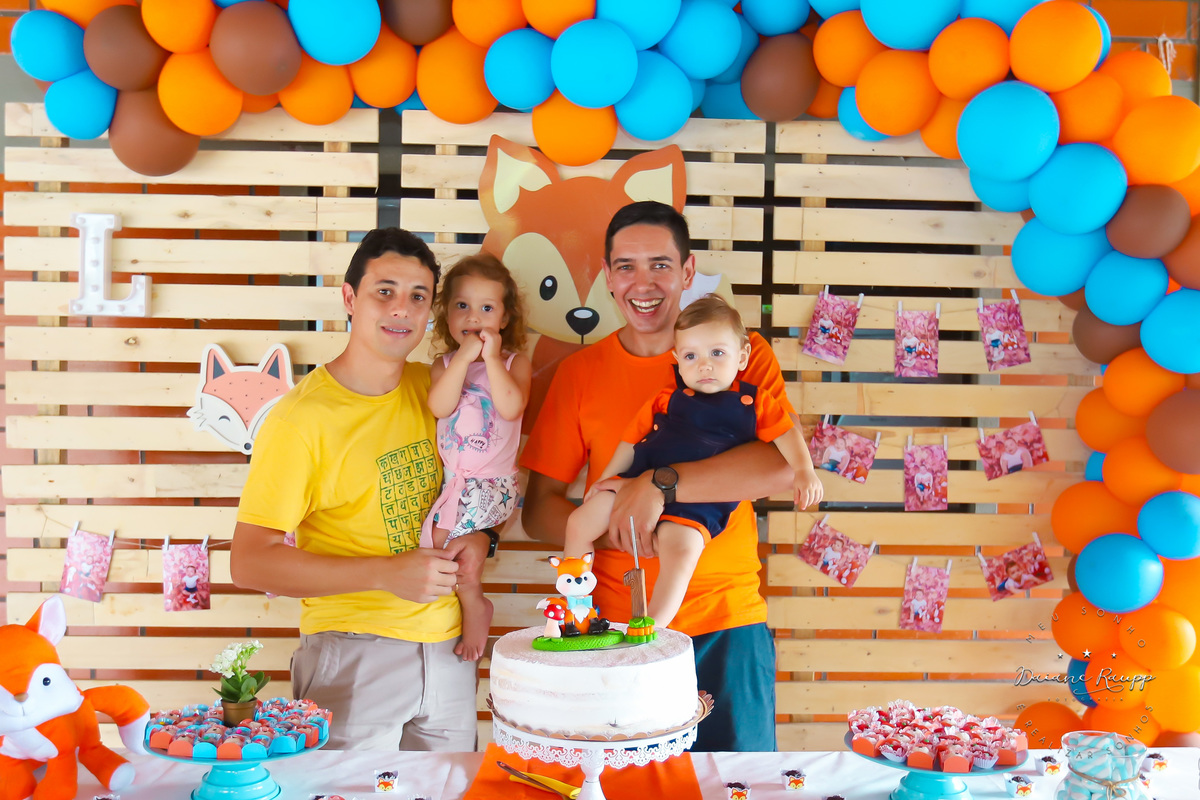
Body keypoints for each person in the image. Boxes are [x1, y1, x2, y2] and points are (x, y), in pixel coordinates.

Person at [521, 201, 824, 752]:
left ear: (687, 271)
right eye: (626, 266)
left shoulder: (742, 354)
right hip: (615, 628)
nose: (644, 283)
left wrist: (658, 485)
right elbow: (539, 509)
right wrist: (618, 524)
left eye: (660, 264)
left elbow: (781, 467)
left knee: (736, 786)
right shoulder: (580, 373)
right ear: (608, 276)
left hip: (728, 620)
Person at [230, 228, 494, 752]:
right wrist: (384, 573)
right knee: (343, 790)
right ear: (350, 298)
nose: (401, 309)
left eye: (418, 296)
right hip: (352, 652)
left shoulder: (438, 388)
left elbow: (480, 482)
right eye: (384, 291)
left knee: (448, 791)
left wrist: (484, 538)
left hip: (449, 652)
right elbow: (249, 562)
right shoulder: (300, 420)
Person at [561, 296, 811, 630]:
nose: (704, 365)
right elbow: (629, 441)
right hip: (632, 486)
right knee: (579, 523)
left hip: (698, 506)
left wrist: (805, 470)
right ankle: (575, 607)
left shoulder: (755, 402)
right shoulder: (667, 399)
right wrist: (604, 482)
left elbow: (788, 437)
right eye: (691, 356)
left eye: (717, 353)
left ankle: (651, 627)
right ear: (677, 360)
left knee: (680, 553)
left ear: (742, 357)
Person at [421, 254, 531, 661]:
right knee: (447, 549)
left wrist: (490, 359)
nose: (474, 317)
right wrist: (464, 359)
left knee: (443, 547)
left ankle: (474, 606)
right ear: (446, 315)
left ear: (504, 318)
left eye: (487, 308)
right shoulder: (443, 365)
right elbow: (440, 406)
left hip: (491, 484)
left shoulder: (514, 363)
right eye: (462, 306)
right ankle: (468, 602)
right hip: (454, 484)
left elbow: (511, 407)